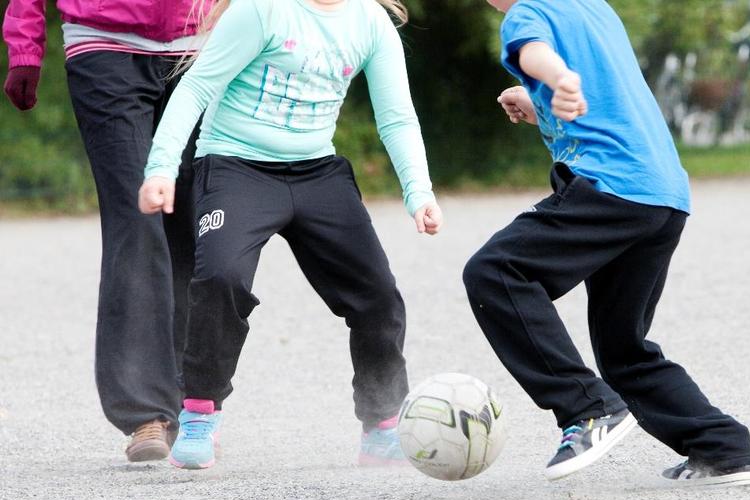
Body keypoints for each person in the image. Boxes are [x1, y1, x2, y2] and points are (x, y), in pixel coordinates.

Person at [462, 0, 750, 485]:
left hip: (611, 187)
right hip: (660, 195)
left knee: (495, 271)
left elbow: (535, 51)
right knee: (622, 347)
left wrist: (554, 78)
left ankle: (588, 409)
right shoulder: (594, 8)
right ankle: (721, 447)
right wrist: (542, 104)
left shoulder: (526, 13)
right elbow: (605, 99)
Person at [138, 0, 442, 470]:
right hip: (236, 166)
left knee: (377, 295)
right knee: (221, 279)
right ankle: (199, 413)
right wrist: (161, 169)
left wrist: (418, 192)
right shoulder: (262, 11)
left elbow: (397, 116)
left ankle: (382, 424)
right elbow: (197, 87)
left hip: (318, 171)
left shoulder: (369, 22)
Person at [2, 0, 213, 462]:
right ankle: (144, 412)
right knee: (136, 220)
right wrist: (25, 47)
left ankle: (192, 404)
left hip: (200, 50)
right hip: (104, 45)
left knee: (194, 227)